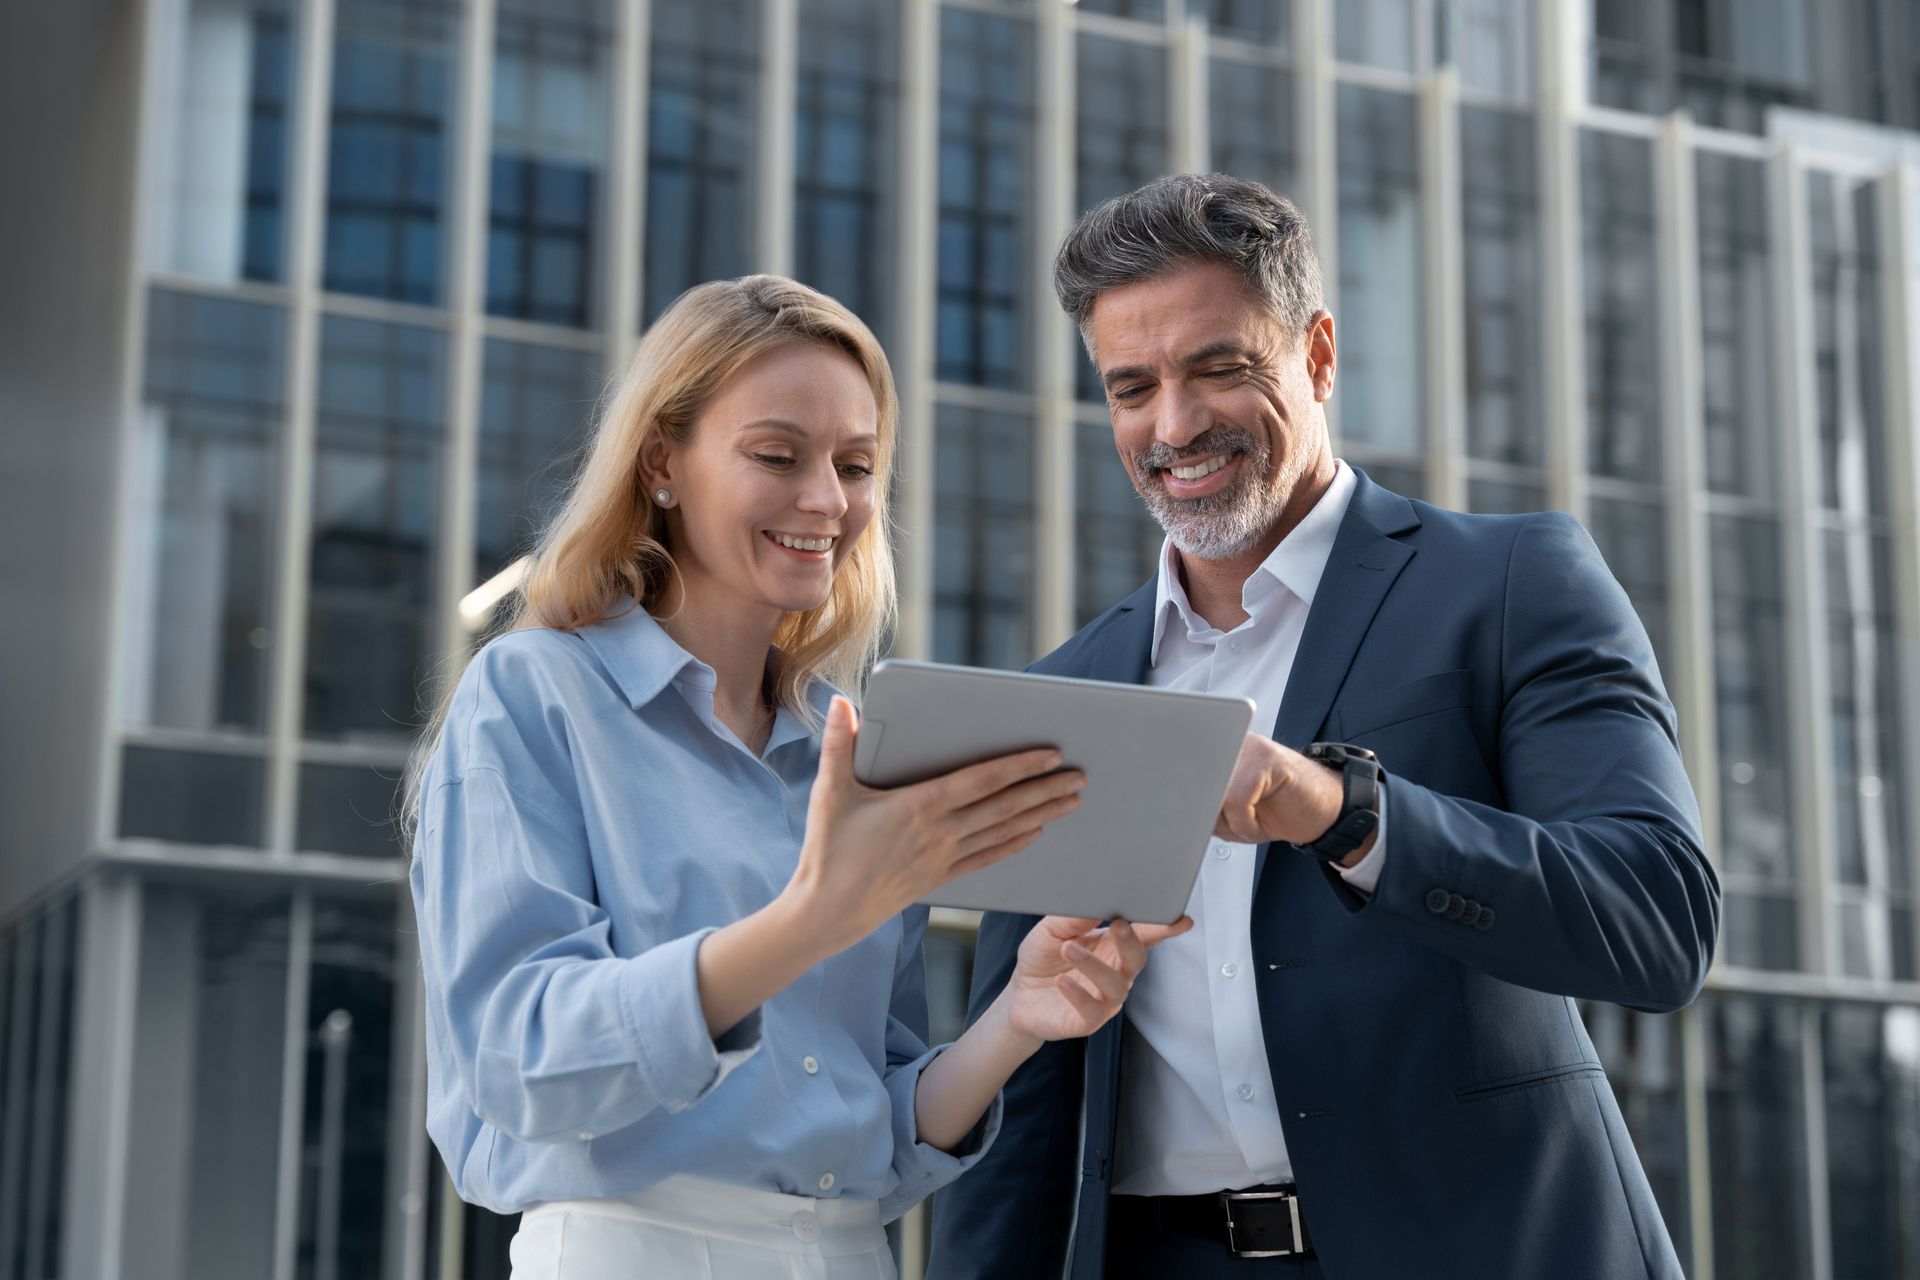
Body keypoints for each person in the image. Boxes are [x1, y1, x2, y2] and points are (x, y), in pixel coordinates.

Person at [927, 174, 1719, 1279]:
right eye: (1131, 387)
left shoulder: (1509, 582)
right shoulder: (1071, 686)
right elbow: (1028, 1102)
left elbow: (1657, 917)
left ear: (1320, 355)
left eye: (1219, 367)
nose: (1174, 423)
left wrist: (1340, 811)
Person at [407, 275, 1188, 1280]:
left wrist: (1017, 1018)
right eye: (778, 455)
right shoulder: (535, 694)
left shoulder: (850, 747)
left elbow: (873, 1132)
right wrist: (815, 914)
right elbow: (522, 1063)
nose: (827, 499)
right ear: (662, 464)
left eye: (857, 465)